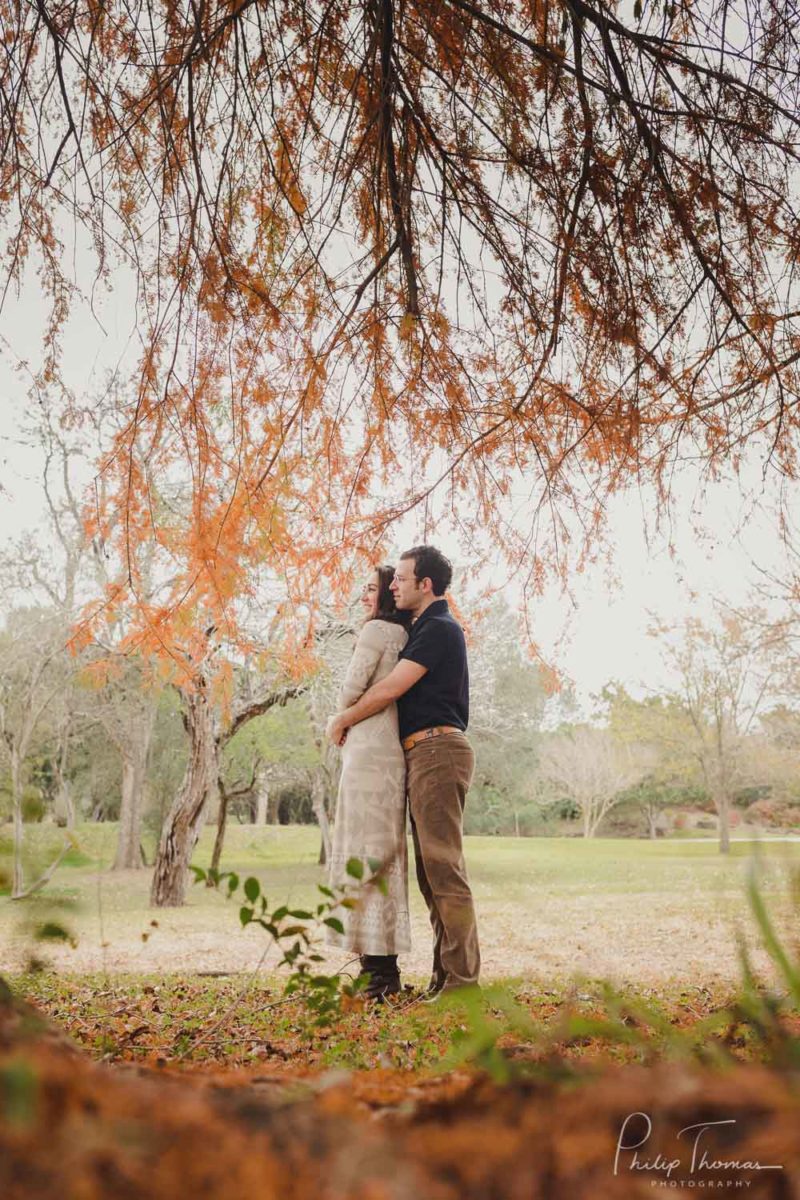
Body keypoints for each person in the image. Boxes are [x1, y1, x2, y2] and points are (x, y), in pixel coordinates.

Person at [327, 545, 480, 998]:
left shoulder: (439, 628)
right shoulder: (422, 628)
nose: (393, 586)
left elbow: (393, 686)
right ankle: (445, 978)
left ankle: (462, 983)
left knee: (444, 870)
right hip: (422, 751)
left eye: (401, 579)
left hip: (437, 748)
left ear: (424, 584)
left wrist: (343, 718)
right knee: (432, 874)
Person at [325, 565, 412, 1000]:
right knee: (381, 853)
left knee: (361, 849)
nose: (364, 595)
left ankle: (378, 976)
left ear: (387, 596)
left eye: (372, 589)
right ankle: (380, 968)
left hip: (367, 752)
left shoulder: (376, 630)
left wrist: (338, 720)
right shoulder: (406, 635)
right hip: (390, 752)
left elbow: (350, 688)